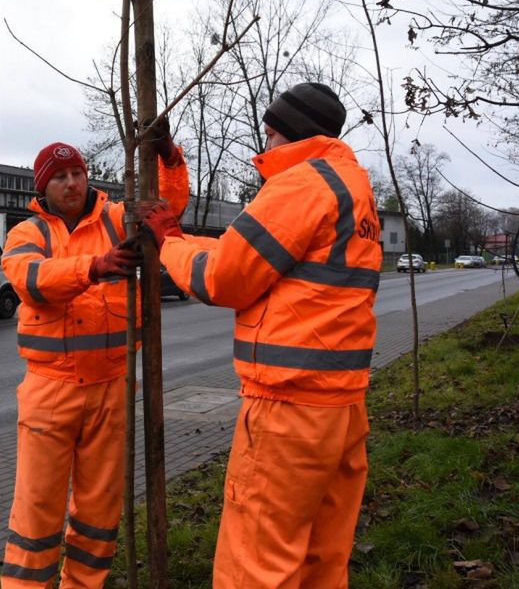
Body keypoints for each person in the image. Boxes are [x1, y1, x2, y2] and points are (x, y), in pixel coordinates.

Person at [140, 82, 382, 588]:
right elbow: (249, 252)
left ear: (293, 134)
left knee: (257, 565)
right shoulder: (351, 186)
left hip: (287, 409)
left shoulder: (299, 185)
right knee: (321, 560)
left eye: (270, 135)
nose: (265, 146)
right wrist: (183, 236)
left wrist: (170, 244)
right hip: (340, 407)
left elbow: (225, 276)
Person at [0, 130, 189, 588]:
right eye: (59, 177)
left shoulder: (118, 218)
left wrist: (167, 156)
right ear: (41, 188)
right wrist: (93, 267)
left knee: (100, 506)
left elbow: (168, 207)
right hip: (51, 391)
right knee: (37, 505)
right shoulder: (29, 232)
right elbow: (32, 280)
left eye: (77, 173)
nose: (71, 183)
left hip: (113, 388)